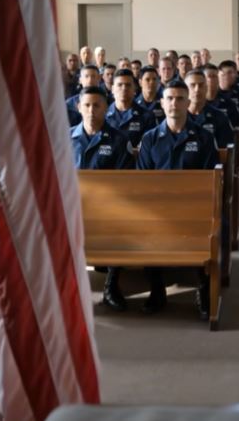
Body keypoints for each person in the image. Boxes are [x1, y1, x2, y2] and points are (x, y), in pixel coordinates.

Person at [136, 80, 218, 317]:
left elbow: (210, 180)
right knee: (144, 227)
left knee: (208, 228)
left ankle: (204, 289)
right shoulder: (150, 138)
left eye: (180, 99)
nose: (174, 103)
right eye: (170, 98)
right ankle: (157, 290)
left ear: (188, 102)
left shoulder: (203, 138)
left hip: (194, 208)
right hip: (158, 208)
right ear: (162, 103)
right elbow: (142, 181)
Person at [70, 86, 133, 311]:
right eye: (87, 105)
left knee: (122, 224)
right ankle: (68, 286)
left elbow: (126, 182)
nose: (91, 110)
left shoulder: (119, 140)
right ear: (78, 107)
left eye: (97, 105)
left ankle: (111, 286)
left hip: (108, 209)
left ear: (106, 108)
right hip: (73, 208)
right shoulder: (65, 138)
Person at [106, 68, 156, 149]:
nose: (124, 88)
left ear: (134, 89)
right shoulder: (102, 115)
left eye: (128, 85)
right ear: (112, 89)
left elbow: (149, 147)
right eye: (120, 85)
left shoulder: (147, 116)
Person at [186, 70, 233, 148]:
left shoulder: (219, 117)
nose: (197, 89)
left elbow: (226, 149)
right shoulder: (177, 117)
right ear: (185, 90)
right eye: (192, 85)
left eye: (201, 85)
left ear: (206, 88)